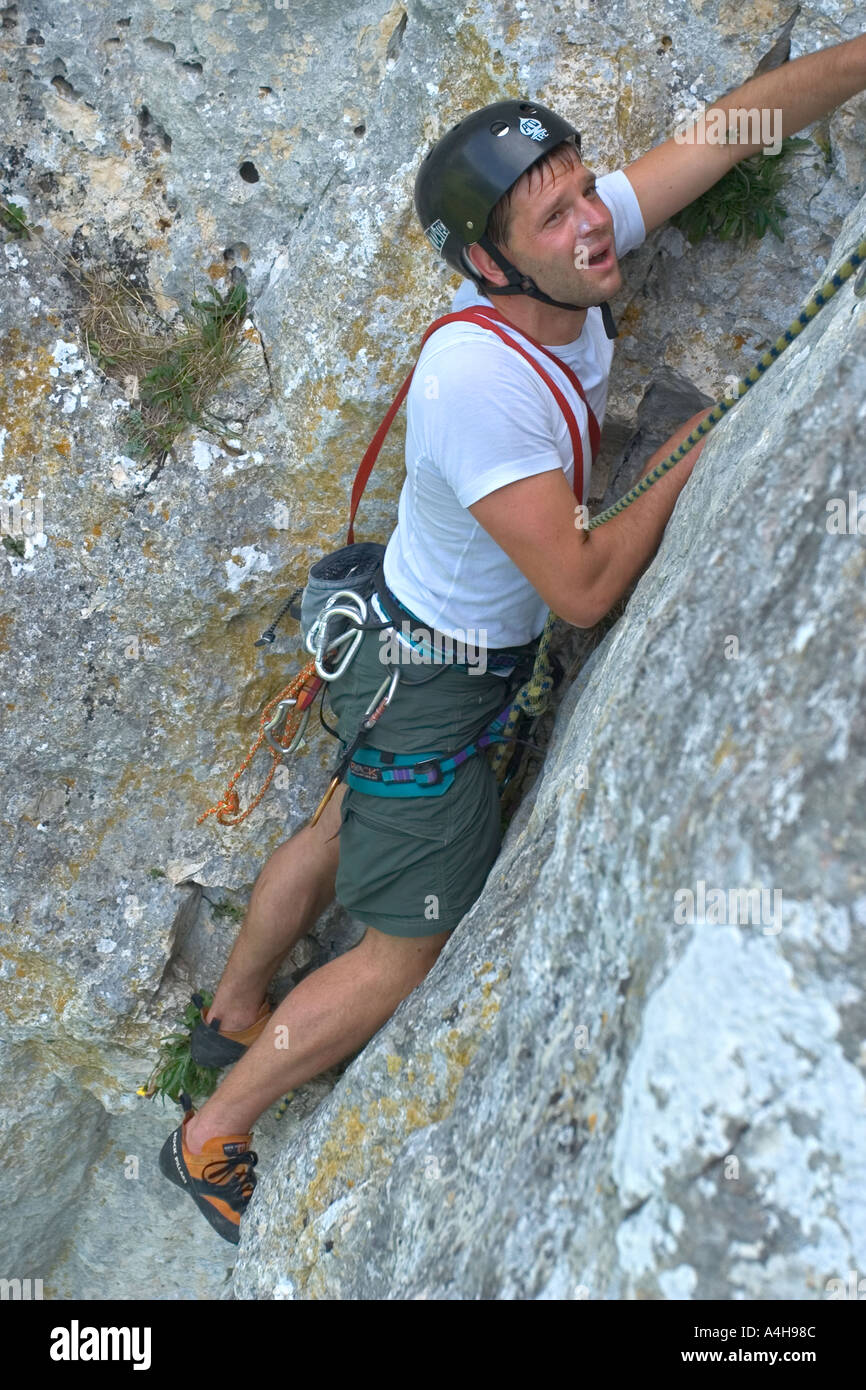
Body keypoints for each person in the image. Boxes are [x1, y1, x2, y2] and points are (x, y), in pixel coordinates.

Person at [160, 32, 866, 1241]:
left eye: (586, 187)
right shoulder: (477, 388)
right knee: (404, 947)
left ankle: (231, 1008)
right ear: (490, 262)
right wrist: (690, 455)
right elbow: (583, 586)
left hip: (398, 641)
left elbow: (736, 126)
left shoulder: (561, 261)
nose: (590, 221)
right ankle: (215, 1124)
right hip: (437, 676)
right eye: (555, 215)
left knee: (339, 821)